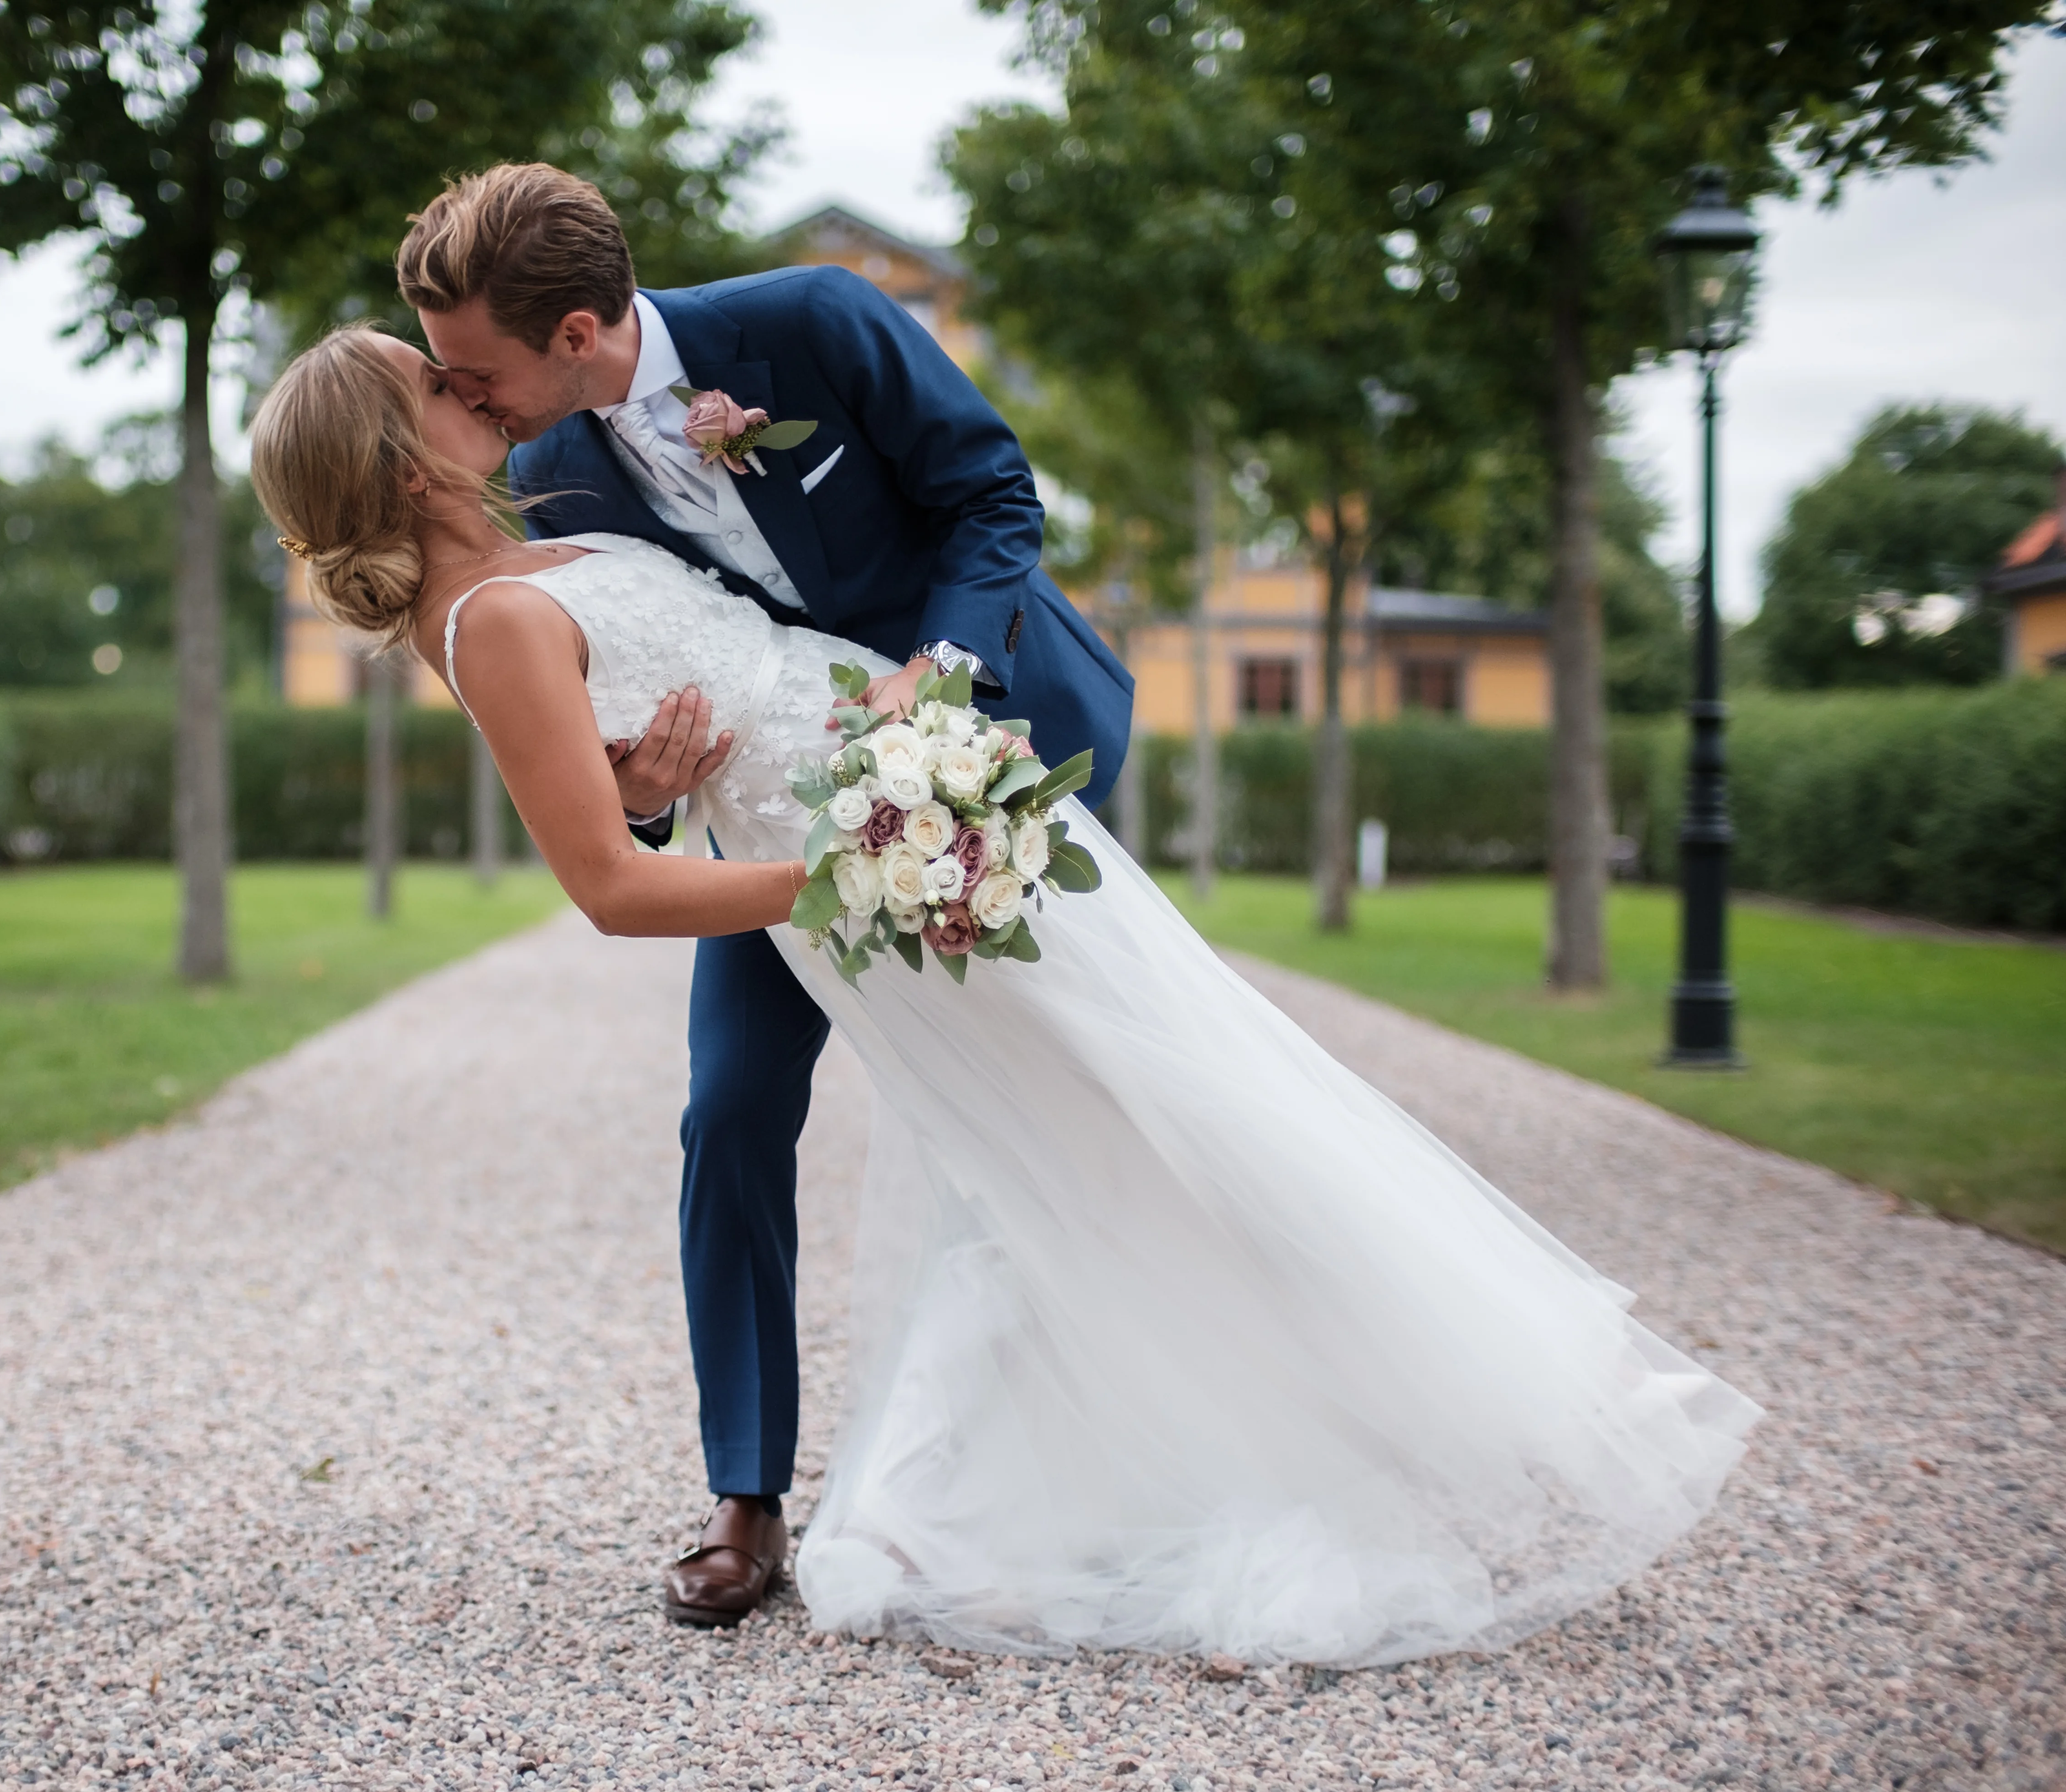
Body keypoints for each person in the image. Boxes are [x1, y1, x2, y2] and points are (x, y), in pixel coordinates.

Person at [245, 318, 1762, 1667]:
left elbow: (860, 573)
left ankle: (1369, 1415)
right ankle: (863, 1496)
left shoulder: (559, 525)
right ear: (400, 460)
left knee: (1166, 1092)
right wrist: (868, 877)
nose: (465, 385)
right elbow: (612, 884)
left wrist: (876, 808)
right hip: (874, 865)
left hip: (930, 792)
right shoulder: (496, 620)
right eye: (429, 383)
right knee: (1069, 1130)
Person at [393, 164, 1139, 1628]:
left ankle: (1069, 1456)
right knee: (728, 1109)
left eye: (473, 370)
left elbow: (991, 495)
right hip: (778, 816)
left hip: (990, 747)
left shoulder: (812, 320)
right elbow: (635, 688)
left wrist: (943, 682)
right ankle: (748, 1498)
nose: (457, 400)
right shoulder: (553, 462)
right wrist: (650, 790)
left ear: (580, 328)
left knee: (1065, 1094)